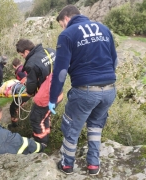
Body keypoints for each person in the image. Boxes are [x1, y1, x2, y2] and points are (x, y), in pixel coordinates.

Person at [48, 5, 118, 176]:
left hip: (85, 91)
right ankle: (93, 165)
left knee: (72, 127)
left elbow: (61, 71)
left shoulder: (67, 34)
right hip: (109, 90)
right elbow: (114, 60)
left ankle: (67, 165)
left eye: (61, 24)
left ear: (66, 18)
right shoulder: (103, 28)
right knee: (95, 126)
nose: (62, 28)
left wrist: (52, 97)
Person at [15, 39, 63, 146]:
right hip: (58, 92)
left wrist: (29, 93)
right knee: (44, 118)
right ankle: (46, 136)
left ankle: (41, 143)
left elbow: (32, 85)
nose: (23, 57)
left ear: (26, 52)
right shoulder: (50, 51)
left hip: (46, 97)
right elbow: (47, 70)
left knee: (35, 119)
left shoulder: (31, 63)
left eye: (22, 55)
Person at [8, 58, 30, 129]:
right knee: (18, 105)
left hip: (25, 92)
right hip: (29, 91)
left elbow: (26, 79)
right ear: (20, 63)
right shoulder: (24, 68)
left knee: (12, 107)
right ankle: (20, 120)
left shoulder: (20, 72)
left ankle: (15, 125)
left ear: (14, 66)